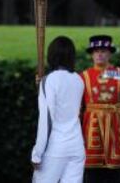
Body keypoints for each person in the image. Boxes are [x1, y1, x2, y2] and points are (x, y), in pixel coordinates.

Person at [81, 35, 120, 182]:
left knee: (114, 176)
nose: (99, 54)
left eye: (103, 51)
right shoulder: (84, 76)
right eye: (96, 51)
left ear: (110, 53)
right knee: (92, 176)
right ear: (92, 54)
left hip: (115, 131)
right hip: (92, 133)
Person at [31, 36, 85, 183]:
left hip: (54, 148)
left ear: (51, 55)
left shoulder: (49, 80)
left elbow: (46, 121)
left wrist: (37, 153)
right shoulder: (79, 80)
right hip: (76, 146)